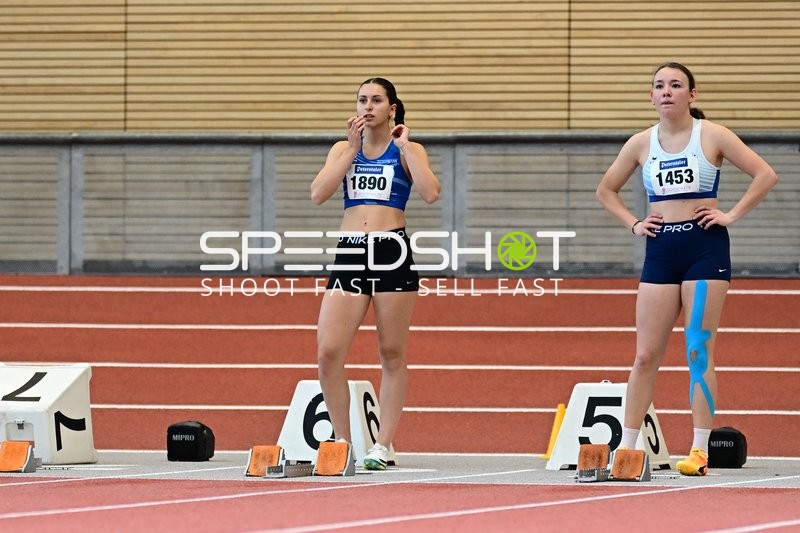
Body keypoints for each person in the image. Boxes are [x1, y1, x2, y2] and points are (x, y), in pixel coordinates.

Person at [596, 62, 778, 476]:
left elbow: (765, 174)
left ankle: (699, 449)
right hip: (661, 250)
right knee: (645, 355)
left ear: (691, 95)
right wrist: (634, 223)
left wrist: (730, 214)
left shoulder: (710, 134)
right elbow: (606, 190)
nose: (666, 92)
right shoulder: (641, 143)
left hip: (704, 250)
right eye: (659, 86)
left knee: (697, 349)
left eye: (676, 85)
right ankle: (627, 447)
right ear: (651, 96)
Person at [310, 77, 441, 470]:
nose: (367, 107)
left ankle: (384, 444)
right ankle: (342, 441)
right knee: (328, 352)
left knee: (392, 352)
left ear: (392, 109)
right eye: (362, 100)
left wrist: (405, 148)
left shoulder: (408, 149)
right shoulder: (342, 149)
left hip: (391, 249)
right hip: (351, 251)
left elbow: (431, 193)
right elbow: (318, 194)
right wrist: (350, 151)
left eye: (376, 100)